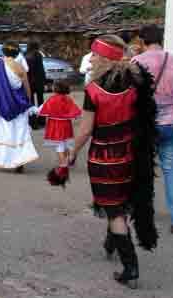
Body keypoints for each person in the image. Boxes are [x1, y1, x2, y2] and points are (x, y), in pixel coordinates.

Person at [68, 35, 158, 288]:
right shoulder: (136, 84)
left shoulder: (93, 90)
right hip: (131, 154)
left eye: (95, 55)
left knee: (114, 210)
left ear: (106, 57)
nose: (91, 60)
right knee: (119, 199)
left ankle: (131, 268)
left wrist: (72, 153)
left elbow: (86, 130)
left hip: (104, 157)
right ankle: (111, 241)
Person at [133, 24, 173, 235]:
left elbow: (130, 94)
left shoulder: (136, 62)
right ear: (161, 39)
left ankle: (142, 212)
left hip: (145, 125)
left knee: (142, 169)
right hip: (170, 124)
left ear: (142, 41)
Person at [0, 41, 39, 173]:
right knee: (19, 132)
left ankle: (5, 159)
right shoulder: (20, 68)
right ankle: (20, 159)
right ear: (17, 53)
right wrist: (28, 102)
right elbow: (27, 87)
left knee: (3, 132)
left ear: (3, 51)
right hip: (18, 104)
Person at [38, 79, 81, 185]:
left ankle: (63, 165)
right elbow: (75, 111)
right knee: (65, 144)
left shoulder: (52, 99)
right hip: (66, 125)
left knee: (59, 146)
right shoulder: (68, 99)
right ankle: (68, 158)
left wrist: (35, 110)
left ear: (56, 88)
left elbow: (42, 109)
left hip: (55, 125)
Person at [25, 42, 46, 107]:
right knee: (40, 98)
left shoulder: (25, 54)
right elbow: (41, 69)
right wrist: (44, 80)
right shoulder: (38, 55)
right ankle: (41, 112)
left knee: (31, 98)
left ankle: (32, 112)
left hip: (29, 79)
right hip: (38, 79)